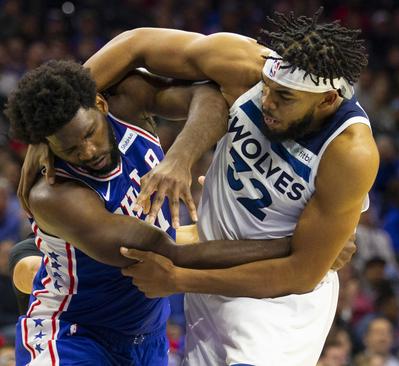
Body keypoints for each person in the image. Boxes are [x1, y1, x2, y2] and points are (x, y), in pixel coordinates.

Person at [77, 8, 379, 365]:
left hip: (278, 303)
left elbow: (300, 273)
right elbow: (137, 43)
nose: (267, 102)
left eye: (285, 97)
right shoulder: (246, 66)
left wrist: (179, 279)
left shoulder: (349, 152)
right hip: (208, 270)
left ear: (328, 99)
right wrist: (58, 117)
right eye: (268, 87)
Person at [5, 60, 307, 365]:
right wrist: (293, 246)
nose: (87, 152)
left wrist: (179, 157)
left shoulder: (128, 101)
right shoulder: (55, 195)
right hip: (74, 335)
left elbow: (211, 97)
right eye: (69, 149)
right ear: (47, 146)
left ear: (101, 104)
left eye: (89, 134)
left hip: (148, 339)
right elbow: (170, 253)